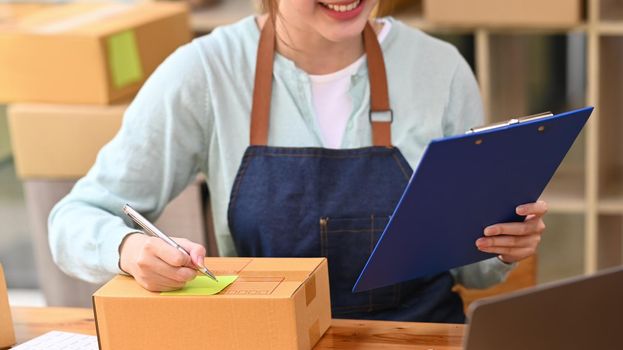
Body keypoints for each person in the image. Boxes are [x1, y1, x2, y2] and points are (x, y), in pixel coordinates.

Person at [49, 0, 547, 323]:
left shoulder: (440, 70)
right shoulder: (204, 72)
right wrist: (129, 248)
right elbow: (73, 218)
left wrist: (502, 245)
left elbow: (472, 275)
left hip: (418, 338)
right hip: (268, 338)